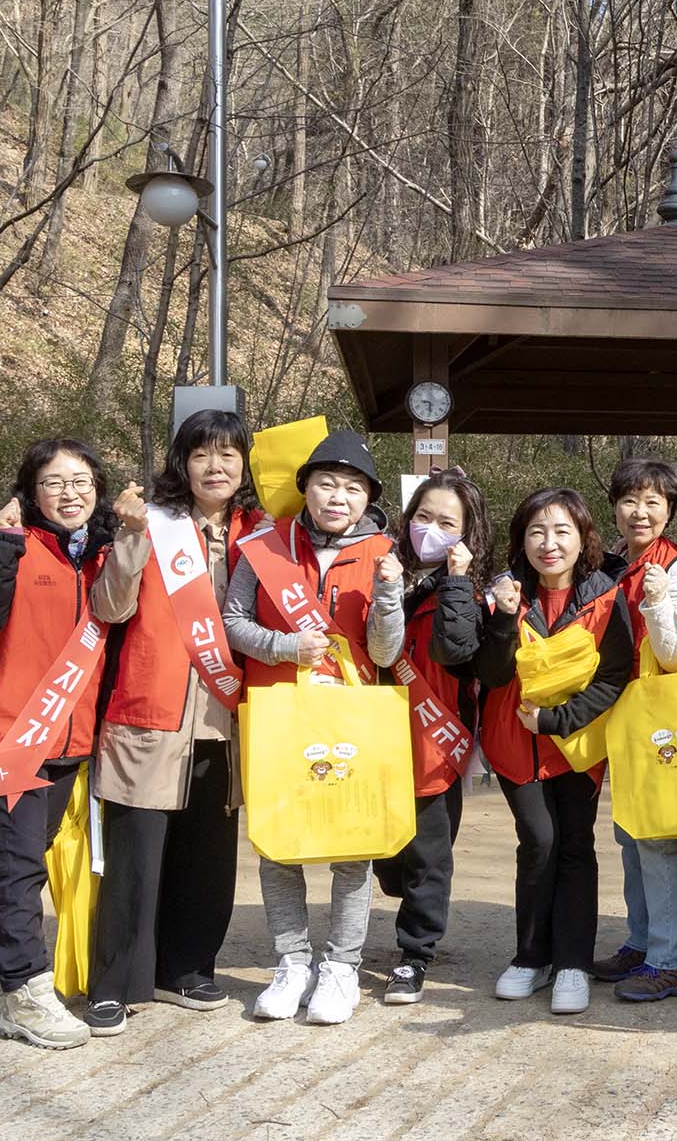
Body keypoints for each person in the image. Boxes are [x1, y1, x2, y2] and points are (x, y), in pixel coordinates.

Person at [84, 412, 265, 1036]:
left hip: (226, 714)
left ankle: (187, 967)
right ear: (181, 463)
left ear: (244, 465)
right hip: (151, 711)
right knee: (136, 855)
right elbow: (110, 606)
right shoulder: (151, 523)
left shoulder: (260, 534)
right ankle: (116, 983)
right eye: (202, 455)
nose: (216, 467)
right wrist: (131, 537)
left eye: (228, 456)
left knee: (208, 854)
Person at [223, 430, 403, 1026]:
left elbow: (384, 651)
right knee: (280, 843)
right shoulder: (263, 549)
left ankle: (342, 968)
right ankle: (291, 962)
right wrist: (283, 647)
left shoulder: (383, 552)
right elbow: (232, 622)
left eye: (353, 488)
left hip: (350, 712)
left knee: (353, 846)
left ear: (368, 498)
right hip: (278, 712)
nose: (338, 496)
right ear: (305, 489)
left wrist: (388, 600)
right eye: (326, 483)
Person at [0, 438, 117, 1050]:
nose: (69, 492)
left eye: (81, 480)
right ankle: (26, 992)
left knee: (19, 863)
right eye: (54, 482)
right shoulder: (8, 548)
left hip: (68, 739)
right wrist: (3, 548)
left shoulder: (100, 558)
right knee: (19, 865)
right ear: (31, 491)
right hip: (6, 734)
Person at [475, 487, 632, 1015]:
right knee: (538, 842)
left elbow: (614, 677)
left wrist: (555, 720)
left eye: (562, 531)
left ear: (583, 538)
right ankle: (529, 957)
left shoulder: (606, 598)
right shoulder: (502, 594)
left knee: (574, 846)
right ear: (522, 539)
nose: (550, 543)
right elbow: (492, 673)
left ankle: (571, 963)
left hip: (578, 746)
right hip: (514, 742)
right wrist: (502, 618)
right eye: (537, 531)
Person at [589, 459, 677, 1002]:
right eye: (630, 500)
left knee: (659, 841)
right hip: (625, 721)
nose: (640, 512)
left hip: (665, 724)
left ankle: (671, 960)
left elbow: (674, 654)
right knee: (630, 834)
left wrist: (659, 599)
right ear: (614, 506)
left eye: (653, 502)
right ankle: (642, 943)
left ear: (671, 510)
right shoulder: (615, 564)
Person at [371, 468, 491, 1006]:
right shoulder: (384, 570)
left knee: (427, 858)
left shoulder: (473, 590)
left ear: (466, 533)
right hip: (376, 736)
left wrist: (459, 582)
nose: (431, 529)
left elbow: (455, 650)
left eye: (447, 522)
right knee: (388, 863)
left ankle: (414, 954)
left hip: (434, 741)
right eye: (423, 516)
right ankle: (407, 909)